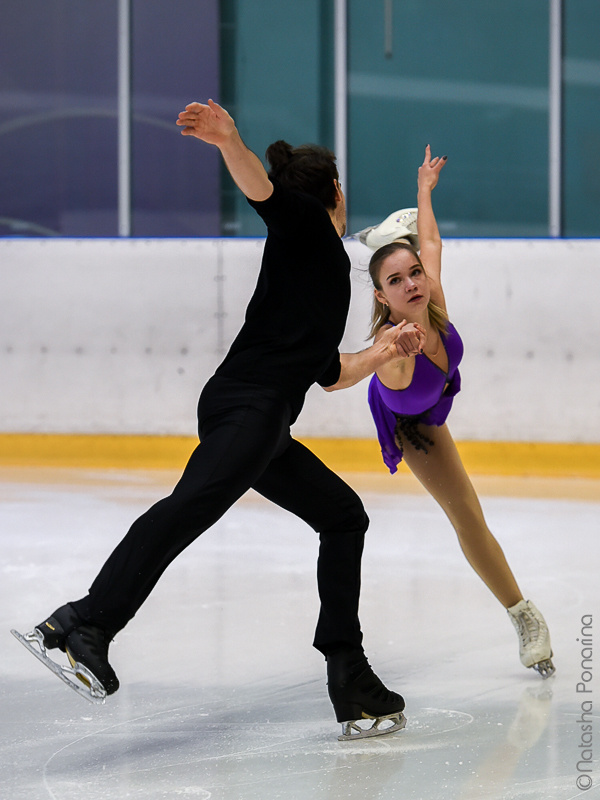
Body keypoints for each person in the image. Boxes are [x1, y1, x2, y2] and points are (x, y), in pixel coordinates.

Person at [12, 100, 426, 740]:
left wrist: (380, 352)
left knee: (343, 516)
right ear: (335, 194)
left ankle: (348, 672)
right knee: (191, 505)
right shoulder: (308, 232)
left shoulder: (316, 269)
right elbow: (266, 195)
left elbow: (328, 371)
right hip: (249, 408)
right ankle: (85, 623)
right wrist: (231, 140)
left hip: (259, 416)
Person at [328, 145, 555, 679]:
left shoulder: (433, 302)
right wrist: (393, 349)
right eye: (396, 281)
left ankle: (382, 236)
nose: (412, 283)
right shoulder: (393, 345)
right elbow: (366, 374)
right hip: (412, 424)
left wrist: (424, 190)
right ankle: (524, 616)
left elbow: (430, 242)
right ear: (382, 299)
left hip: (436, 392)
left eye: (412, 275)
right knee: (466, 516)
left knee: (472, 515)